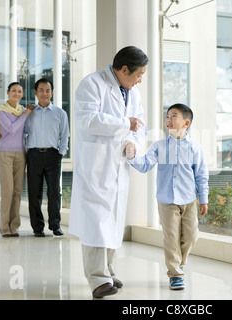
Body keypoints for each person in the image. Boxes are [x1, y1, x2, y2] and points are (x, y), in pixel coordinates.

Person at [69, 46, 148, 298]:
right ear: (124, 69)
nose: (140, 80)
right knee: (96, 220)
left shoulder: (133, 93)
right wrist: (126, 124)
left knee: (113, 218)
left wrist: (134, 143)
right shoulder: (92, 84)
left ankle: (109, 270)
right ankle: (97, 278)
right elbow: (87, 119)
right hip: (95, 164)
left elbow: (140, 126)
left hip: (118, 164)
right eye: (138, 74)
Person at [127, 103, 209, 290]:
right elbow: (145, 165)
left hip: (189, 200)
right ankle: (175, 274)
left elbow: (201, 175)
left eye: (174, 116)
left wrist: (203, 198)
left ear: (186, 123)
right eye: (167, 116)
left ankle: (179, 262)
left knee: (191, 236)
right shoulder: (159, 146)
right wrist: (132, 156)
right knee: (171, 237)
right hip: (166, 200)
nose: (169, 120)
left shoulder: (195, 148)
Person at [24, 78, 70, 237]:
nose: (45, 93)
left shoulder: (60, 113)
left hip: (52, 155)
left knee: (54, 192)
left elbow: (65, 136)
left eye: (48, 90)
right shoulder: (29, 113)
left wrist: (61, 153)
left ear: (52, 93)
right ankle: (37, 227)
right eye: (41, 90)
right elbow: (22, 132)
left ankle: (55, 225)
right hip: (34, 155)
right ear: (35, 93)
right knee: (34, 192)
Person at [0, 82, 34, 237]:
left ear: (22, 94)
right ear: (8, 92)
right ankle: (4, 227)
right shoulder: (2, 111)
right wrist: (24, 115)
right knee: (7, 191)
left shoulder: (23, 111)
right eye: (14, 91)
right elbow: (11, 128)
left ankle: (14, 227)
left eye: (19, 91)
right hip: (5, 154)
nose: (16, 93)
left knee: (17, 192)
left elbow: (25, 130)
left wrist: (25, 116)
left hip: (20, 154)